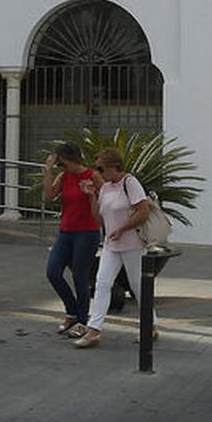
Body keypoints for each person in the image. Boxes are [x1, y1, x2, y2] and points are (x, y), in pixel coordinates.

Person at [74, 147, 155, 349]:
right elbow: (99, 218)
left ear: (114, 167)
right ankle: (94, 330)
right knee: (102, 283)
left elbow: (143, 212)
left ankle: (150, 325)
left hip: (132, 244)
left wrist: (122, 228)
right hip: (112, 244)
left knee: (138, 286)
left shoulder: (130, 182)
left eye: (101, 169)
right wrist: (91, 196)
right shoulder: (106, 188)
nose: (99, 173)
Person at [43, 142, 101, 337]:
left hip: (87, 232)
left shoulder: (92, 176)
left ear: (69, 159)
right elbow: (49, 196)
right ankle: (72, 311)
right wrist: (48, 170)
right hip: (66, 231)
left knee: (80, 276)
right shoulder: (64, 176)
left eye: (60, 160)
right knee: (53, 272)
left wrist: (91, 194)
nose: (59, 163)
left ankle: (82, 321)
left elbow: (106, 202)